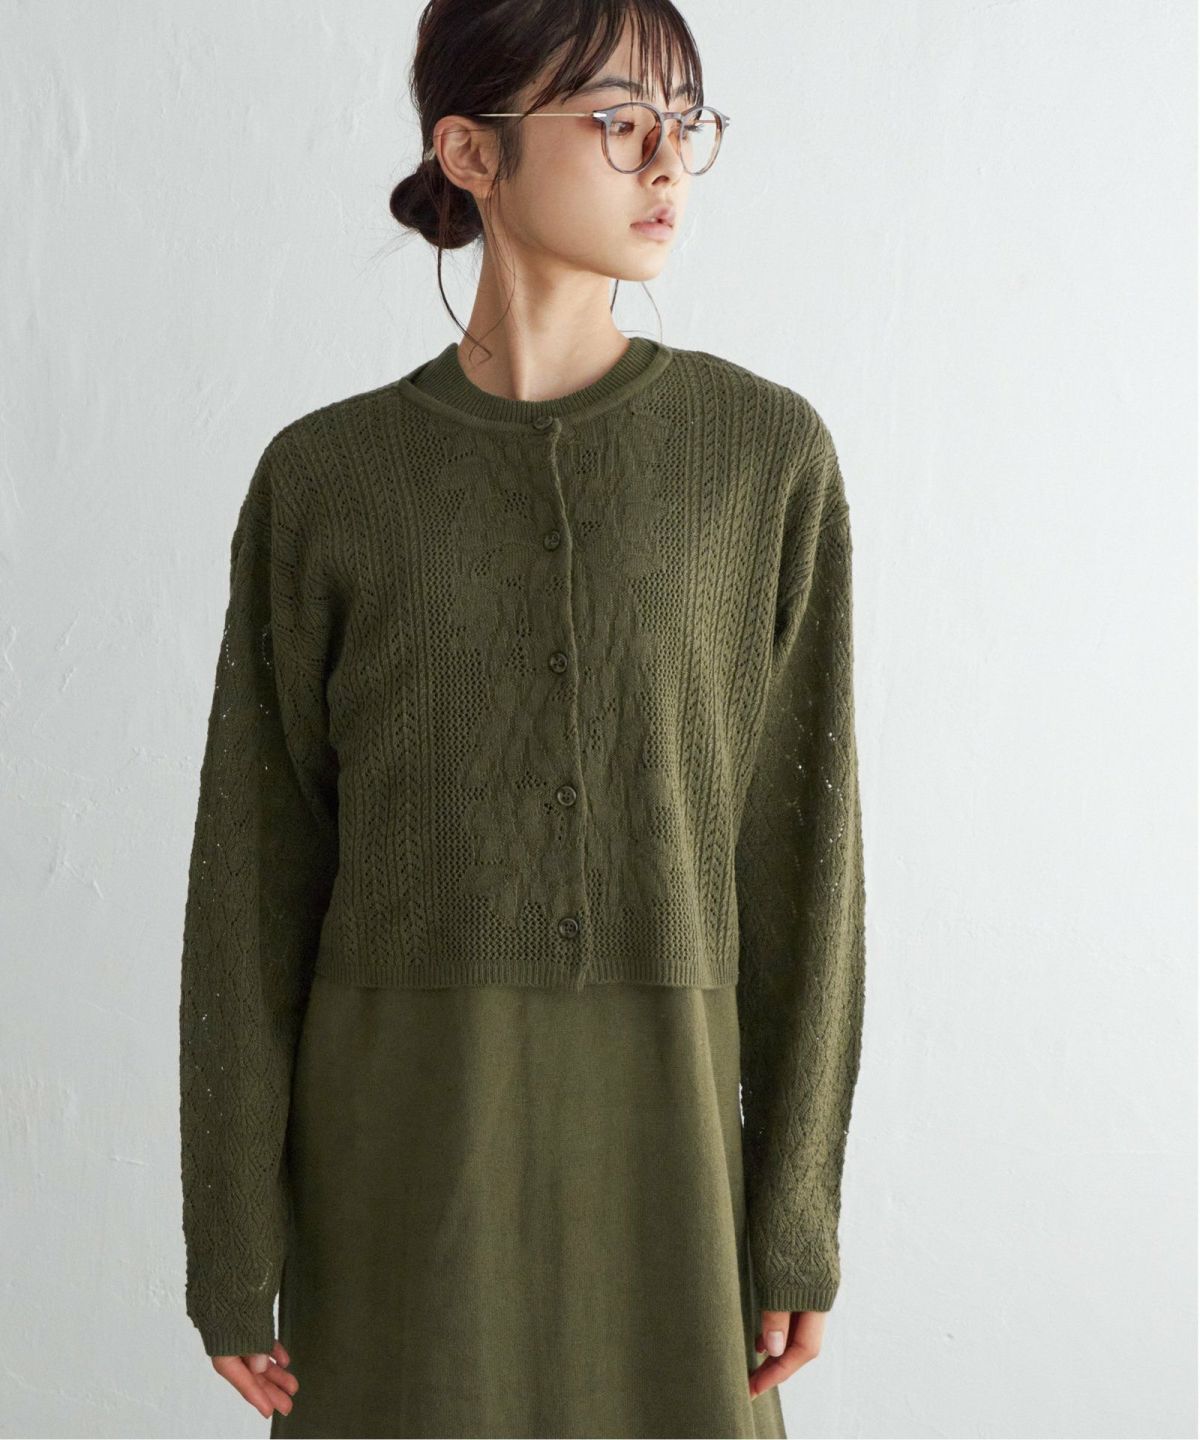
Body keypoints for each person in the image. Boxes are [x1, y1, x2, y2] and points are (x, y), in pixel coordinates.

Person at [177, 1, 867, 1436]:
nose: (667, 161)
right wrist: (232, 1244)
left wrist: (795, 1210)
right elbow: (252, 884)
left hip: (675, 1156)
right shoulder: (327, 481)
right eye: (619, 120)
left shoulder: (763, 461)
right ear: (470, 152)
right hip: (402, 1159)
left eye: (686, 123)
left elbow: (807, 871)